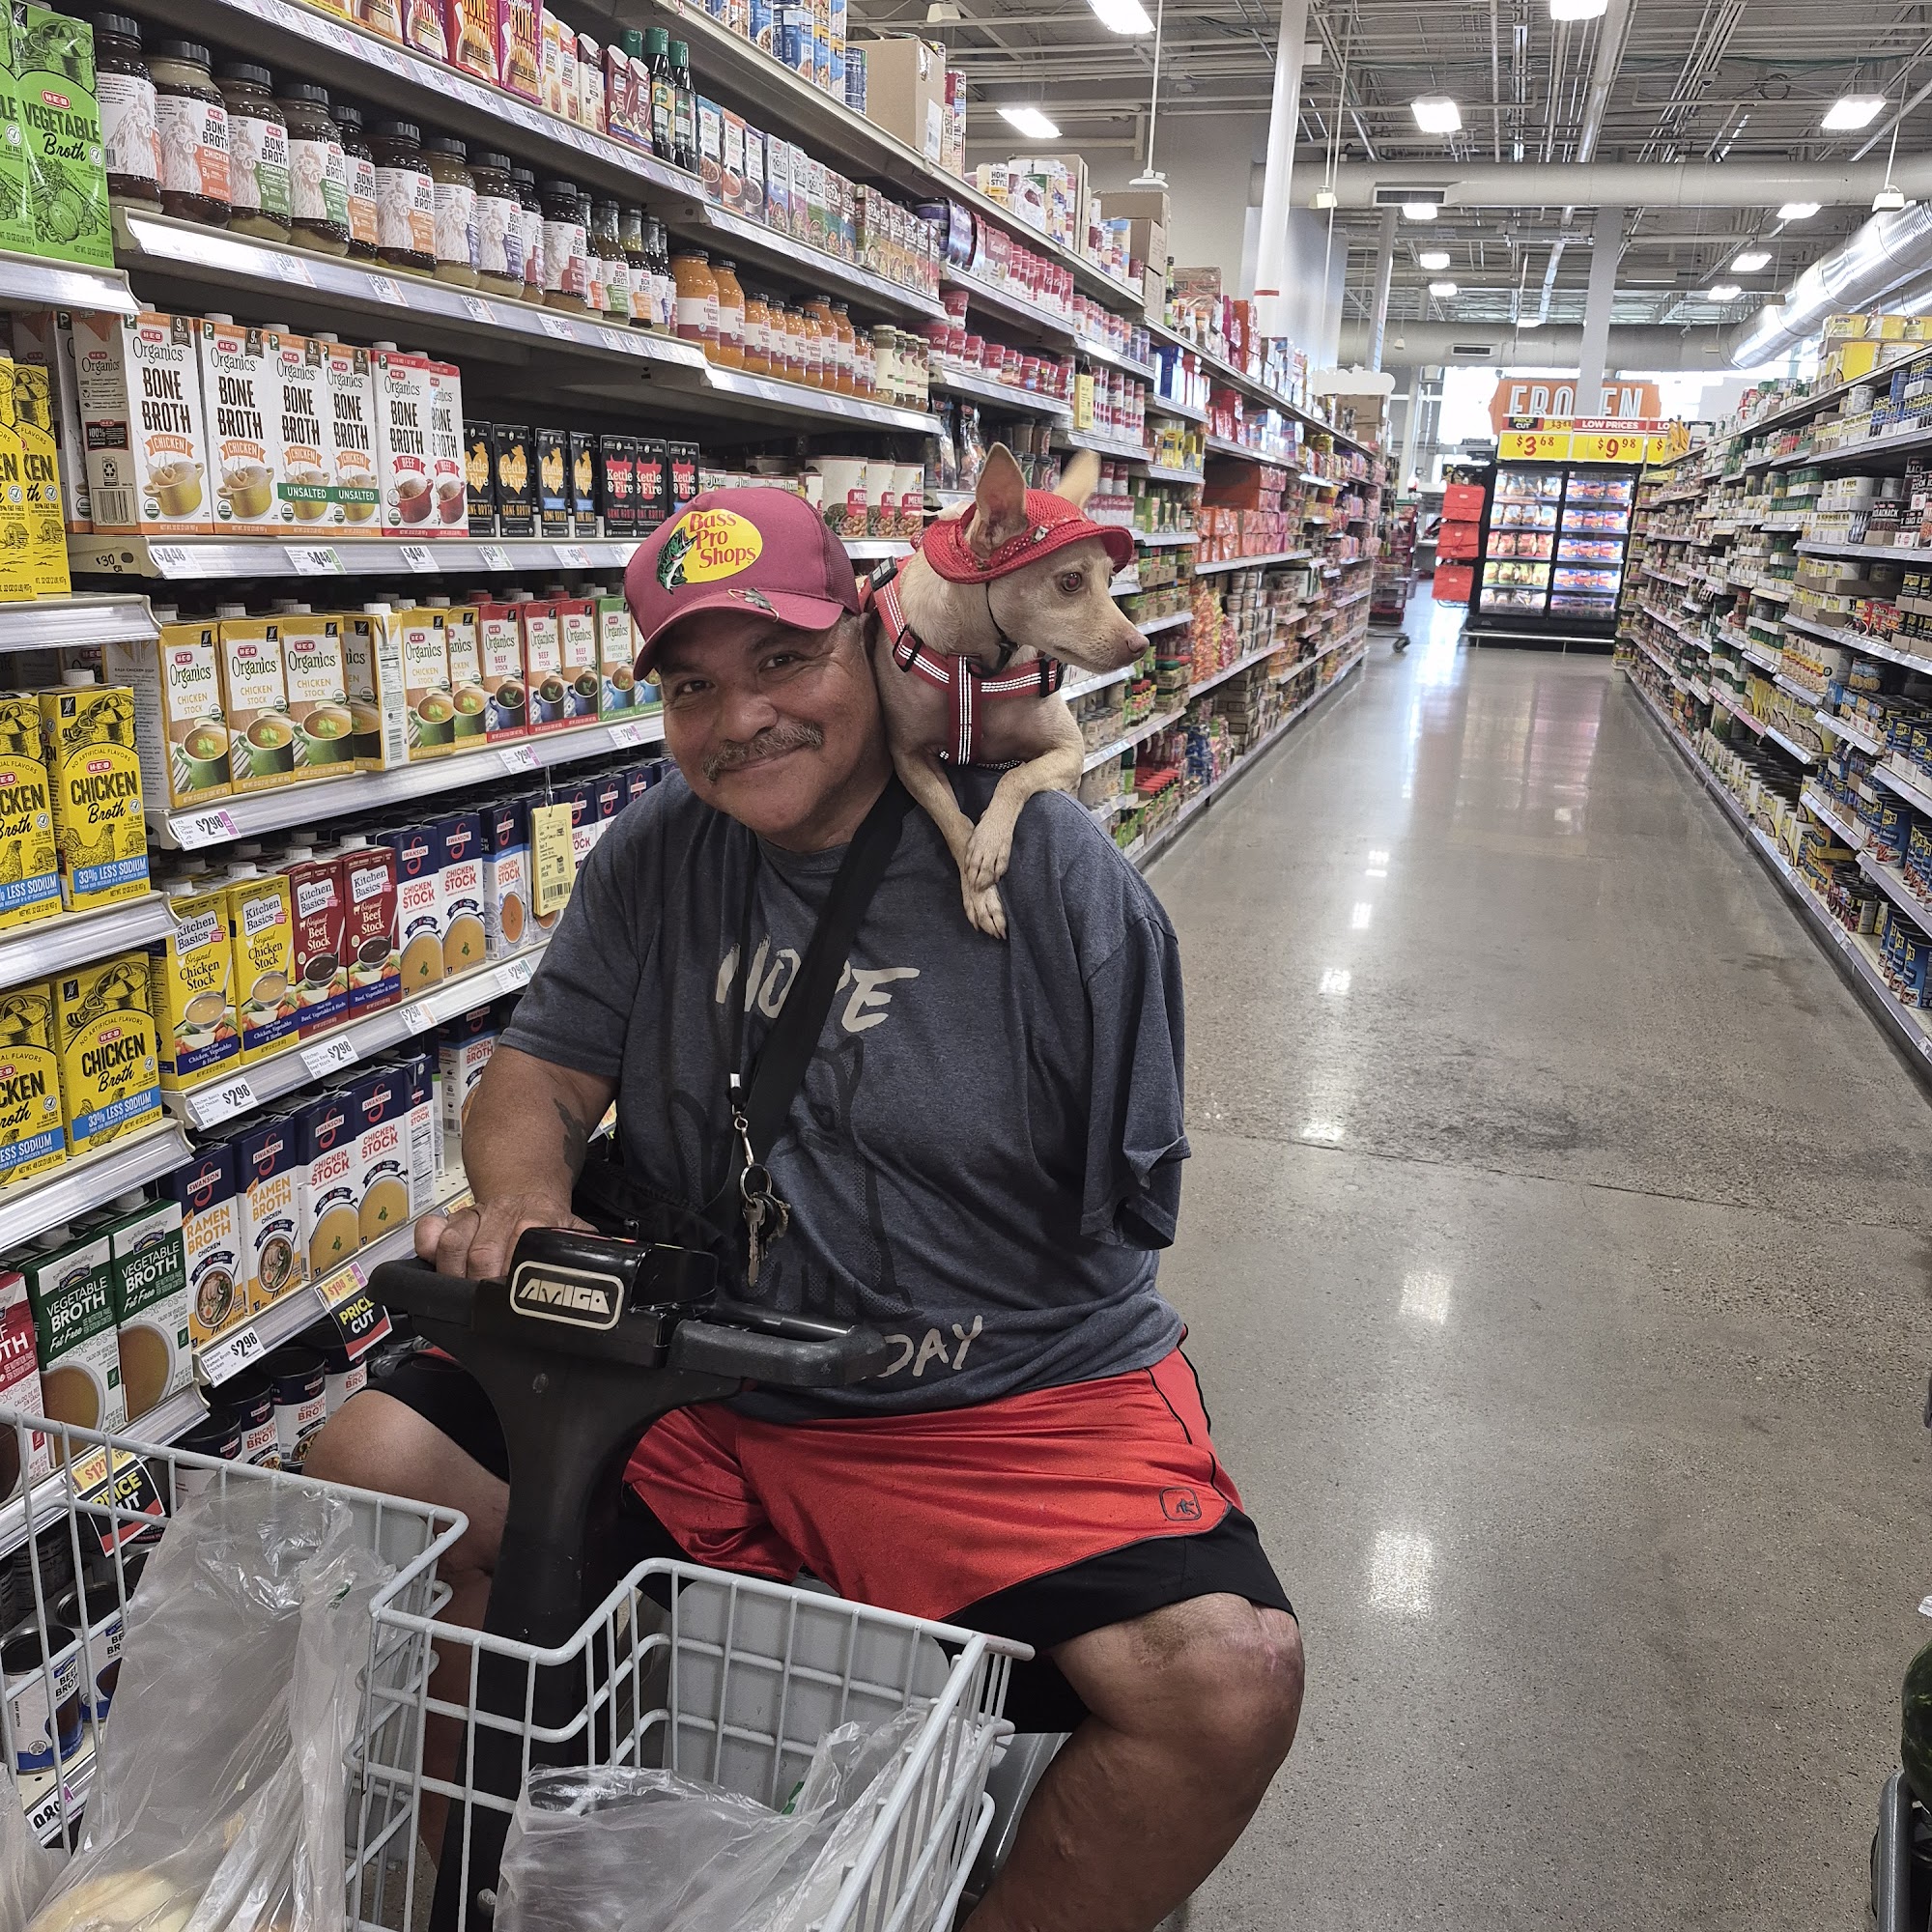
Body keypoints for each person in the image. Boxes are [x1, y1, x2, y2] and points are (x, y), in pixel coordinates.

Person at [305, 486, 1303, 1932]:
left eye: (784, 661)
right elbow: (539, 1076)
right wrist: (523, 1199)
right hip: (700, 1367)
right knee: (371, 1468)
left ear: (874, 640)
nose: (742, 719)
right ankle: (472, 1883)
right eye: (693, 688)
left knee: (1226, 1688)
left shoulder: (1048, 871)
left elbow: (1123, 1215)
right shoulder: (660, 851)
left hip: (984, 1396)